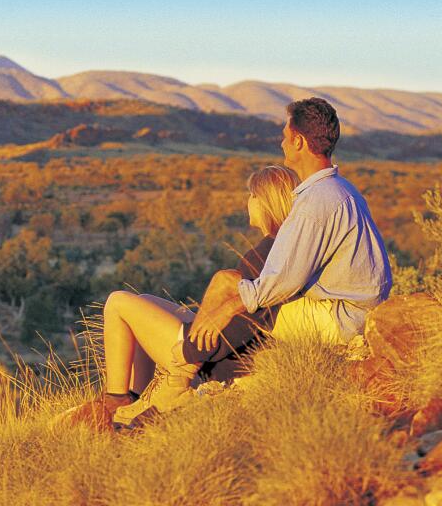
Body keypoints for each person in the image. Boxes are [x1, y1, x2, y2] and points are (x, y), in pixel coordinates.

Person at [55, 164, 299, 431]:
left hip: (213, 360)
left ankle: (116, 400)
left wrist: (191, 352)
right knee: (145, 300)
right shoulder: (282, 248)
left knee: (117, 302)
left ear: (266, 202)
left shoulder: (264, 253)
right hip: (221, 347)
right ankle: (138, 395)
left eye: (252, 195)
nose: (248, 202)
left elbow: (244, 326)